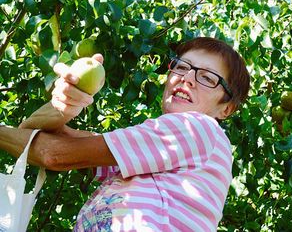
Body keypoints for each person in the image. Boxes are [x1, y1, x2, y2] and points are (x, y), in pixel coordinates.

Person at [0, 37, 250, 231]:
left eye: (207, 77)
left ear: (226, 108)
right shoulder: (148, 151)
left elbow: (53, 155)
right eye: (182, 67)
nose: (187, 78)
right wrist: (65, 104)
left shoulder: (197, 128)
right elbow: (33, 135)